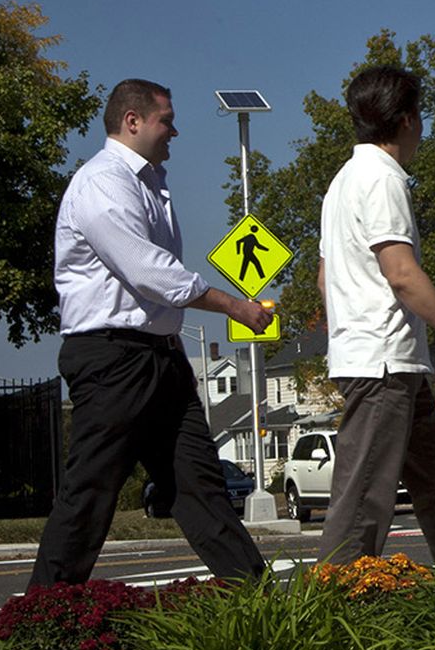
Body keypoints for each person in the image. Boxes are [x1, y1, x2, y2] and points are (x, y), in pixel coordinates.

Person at [30, 80, 278, 587]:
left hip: (159, 359)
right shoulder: (102, 182)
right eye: (167, 119)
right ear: (133, 121)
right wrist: (233, 305)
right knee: (90, 494)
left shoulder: (149, 182)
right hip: (111, 358)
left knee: (201, 486)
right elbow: (151, 272)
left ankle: (257, 601)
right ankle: (37, 624)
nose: (175, 130)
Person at [318, 64, 435, 566]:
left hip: (388, 363)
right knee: (363, 503)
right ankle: (329, 616)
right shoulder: (380, 179)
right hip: (382, 367)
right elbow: (400, 272)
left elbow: (324, 279)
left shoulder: (342, 183)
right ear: (406, 121)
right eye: (420, 115)